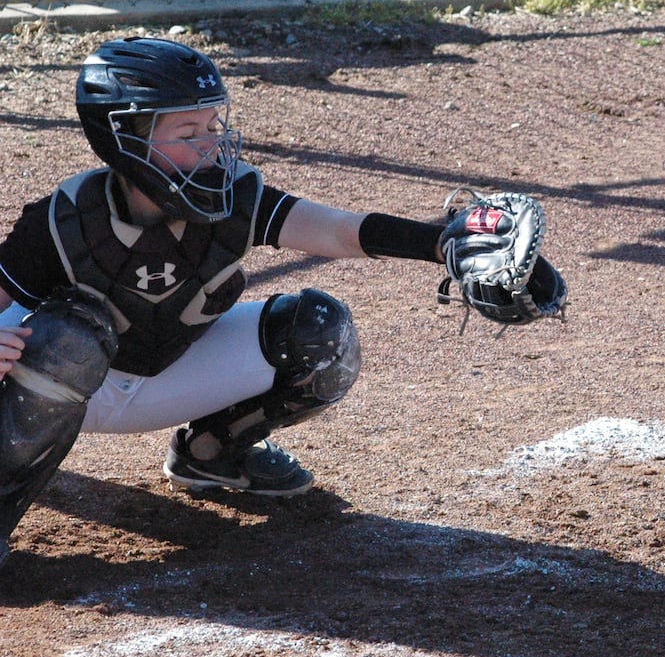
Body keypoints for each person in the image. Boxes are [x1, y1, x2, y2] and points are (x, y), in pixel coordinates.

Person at [0, 36, 562, 569]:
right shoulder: (65, 219)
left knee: (320, 332)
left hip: (166, 378)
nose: (212, 142)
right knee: (67, 337)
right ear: (124, 137)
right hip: (62, 388)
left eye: (212, 124)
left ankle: (211, 453)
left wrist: (438, 244)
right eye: (187, 131)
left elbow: (339, 231)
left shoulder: (233, 197)